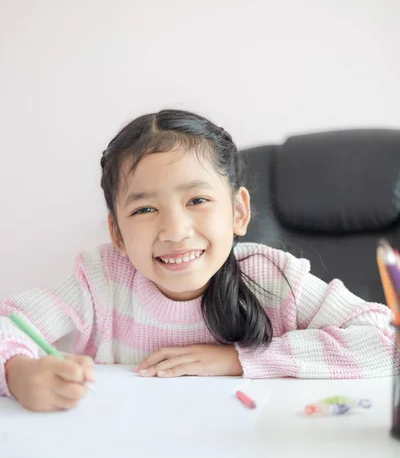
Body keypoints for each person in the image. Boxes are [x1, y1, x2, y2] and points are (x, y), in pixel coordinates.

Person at [0, 109, 395, 411]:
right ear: (117, 233)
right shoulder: (101, 280)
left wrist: (238, 360)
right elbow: (9, 326)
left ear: (239, 212)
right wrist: (19, 376)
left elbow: (387, 340)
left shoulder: (271, 276)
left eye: (197, 201)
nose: (175, 230)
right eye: (144, 210)